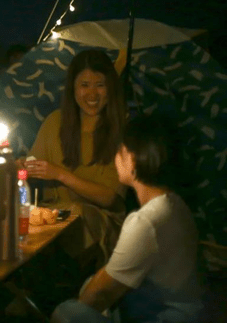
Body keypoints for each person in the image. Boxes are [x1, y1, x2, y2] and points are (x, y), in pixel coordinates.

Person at [51, 115, 204, 323]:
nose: (116, 158)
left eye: (119, 151)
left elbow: (101, 292)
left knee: (67, 312)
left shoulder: (147, 220)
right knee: (90, 283)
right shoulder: (174, 203)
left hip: (166, 316)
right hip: (182, 309)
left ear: (132, 158)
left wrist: (82, 309)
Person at [21, 49, 126, 262]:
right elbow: (32, 165)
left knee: (76, 215)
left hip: (98, 225)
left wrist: (60, 175)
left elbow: (109, 197)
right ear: (73, 88)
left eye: (100, 85)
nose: (92, 95)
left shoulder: (121, 131)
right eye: (84, 85)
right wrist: (16, 167)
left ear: (110, 88)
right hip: (52, 218)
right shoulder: (55, 122)